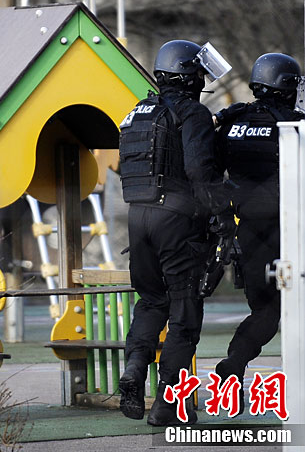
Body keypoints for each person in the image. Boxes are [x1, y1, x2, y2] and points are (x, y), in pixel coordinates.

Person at [118, 39, 235, 426]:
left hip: (138, 218)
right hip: (176, 220)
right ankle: (167, 406)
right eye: (199, 73)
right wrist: (223, 216)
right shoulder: (192, 112)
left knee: (152, 302)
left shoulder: (138, 113)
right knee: (184, 312)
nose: (202, 79)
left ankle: (134, 368)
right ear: (188, 76)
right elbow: (200, 170)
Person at [213, 52, 303, 413]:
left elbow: (209, 171)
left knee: (265, 311)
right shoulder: (294, 125)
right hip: (291, 231)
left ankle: (234, 362)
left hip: (247, 231)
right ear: (286, 87)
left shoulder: (232, 123)